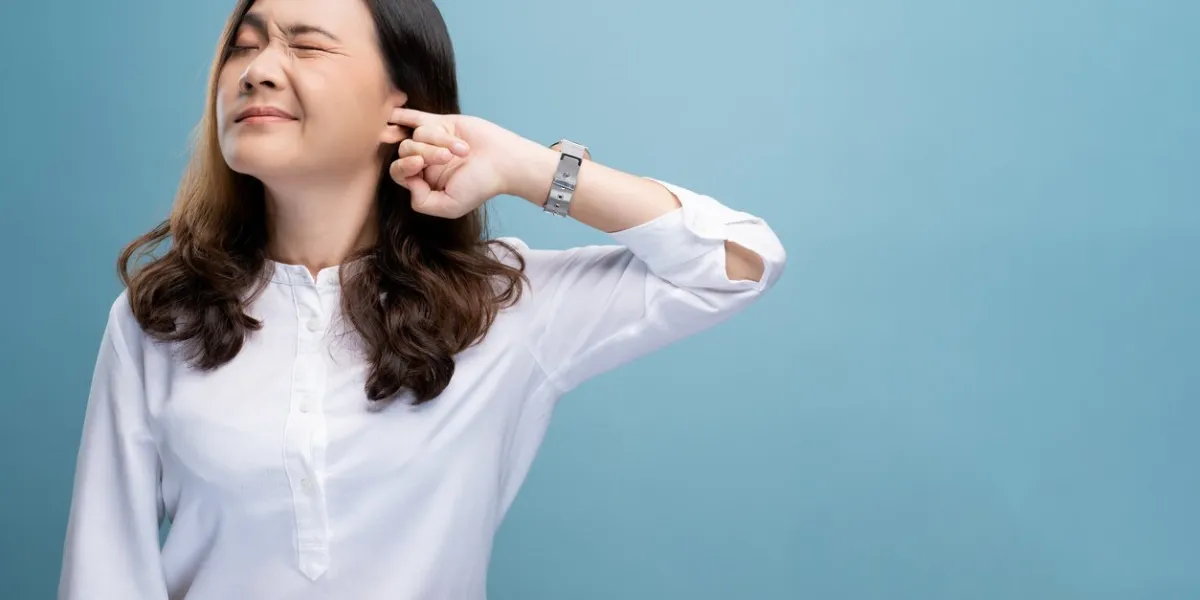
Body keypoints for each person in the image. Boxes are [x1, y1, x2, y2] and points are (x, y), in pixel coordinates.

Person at [57, 0, 785, 598]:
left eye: (305, 47)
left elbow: (737, 261)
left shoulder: (501, 305)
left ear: (396, 106)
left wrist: (528, 168)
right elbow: (104, 573)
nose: (259, 72)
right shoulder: (161, 318)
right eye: (243, 49)